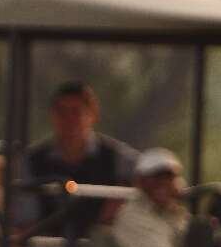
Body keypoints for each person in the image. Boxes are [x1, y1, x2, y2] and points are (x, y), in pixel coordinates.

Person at [18, 81, 137, 238]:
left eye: (76, 111)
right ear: (52, 115)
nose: (69, 119)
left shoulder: (116, 156)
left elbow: (149, 174)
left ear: (93, 114)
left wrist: (119, 198)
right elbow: (26, 219)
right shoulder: (32, 160)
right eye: (61, 112)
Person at [111, 148, 191, 247]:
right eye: (155, 176)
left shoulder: (177, 214)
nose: (162, 182)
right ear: (139, 180)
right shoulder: (132, 217)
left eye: (168, 176)